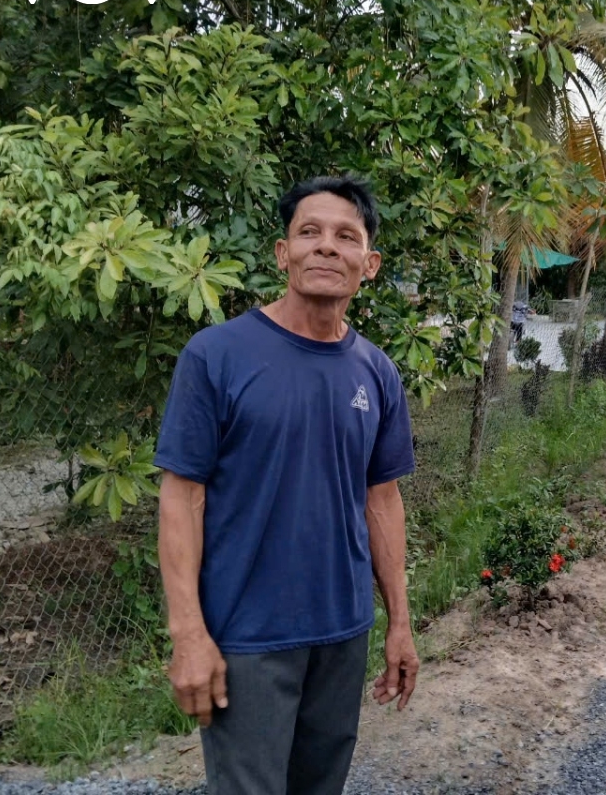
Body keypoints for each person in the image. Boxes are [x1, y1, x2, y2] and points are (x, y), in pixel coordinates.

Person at [155, 175, 419, 795]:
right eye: (310, 232)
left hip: (342, 632)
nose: (327, 247)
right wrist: (188, 632)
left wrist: (399, 623)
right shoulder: (216, 356)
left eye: (345, 236)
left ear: (369, 264)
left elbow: (382, 500)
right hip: (247, 638)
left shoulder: (376, 372)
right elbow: (181, 496)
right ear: (283, 254)